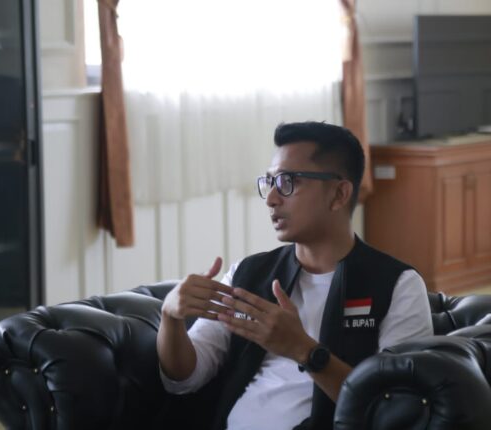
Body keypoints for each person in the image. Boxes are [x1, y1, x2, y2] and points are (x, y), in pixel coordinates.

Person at [157, 121, 433, 430]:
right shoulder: (247, 275)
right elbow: (183, 379)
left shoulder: (398, 286)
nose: (271, 198)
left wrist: (305, 351)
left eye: (288, 182)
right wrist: (171, 318)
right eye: (270, 182)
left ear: (339, 194)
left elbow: (395, 411)